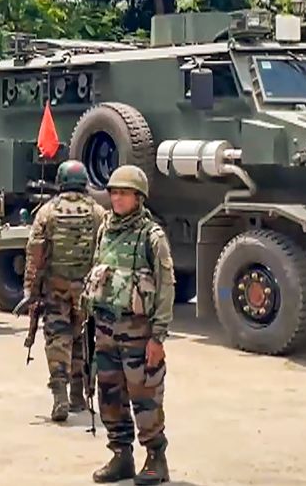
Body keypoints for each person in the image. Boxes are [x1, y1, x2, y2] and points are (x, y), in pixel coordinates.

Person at [81, 165, 175, 485]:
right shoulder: (104, 228)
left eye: (124, 193)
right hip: (105, 329)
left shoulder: (152, 237)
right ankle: (121, 455)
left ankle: (155, 459)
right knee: (109, 394)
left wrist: (158, 337)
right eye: (113, 192)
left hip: (138, 333)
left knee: (145, 396)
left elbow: (165, 289)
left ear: (139, 197)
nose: (117, 198)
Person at [14, 160, 105, 422]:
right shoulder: (97, 211)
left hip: (55, 289)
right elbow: (103, 252)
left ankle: (60, 397)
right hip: (86, 292)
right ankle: (80, 396)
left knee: (58, 340)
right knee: (84, 341)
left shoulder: (47, 212)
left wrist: (30, 291)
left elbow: (35, 254)